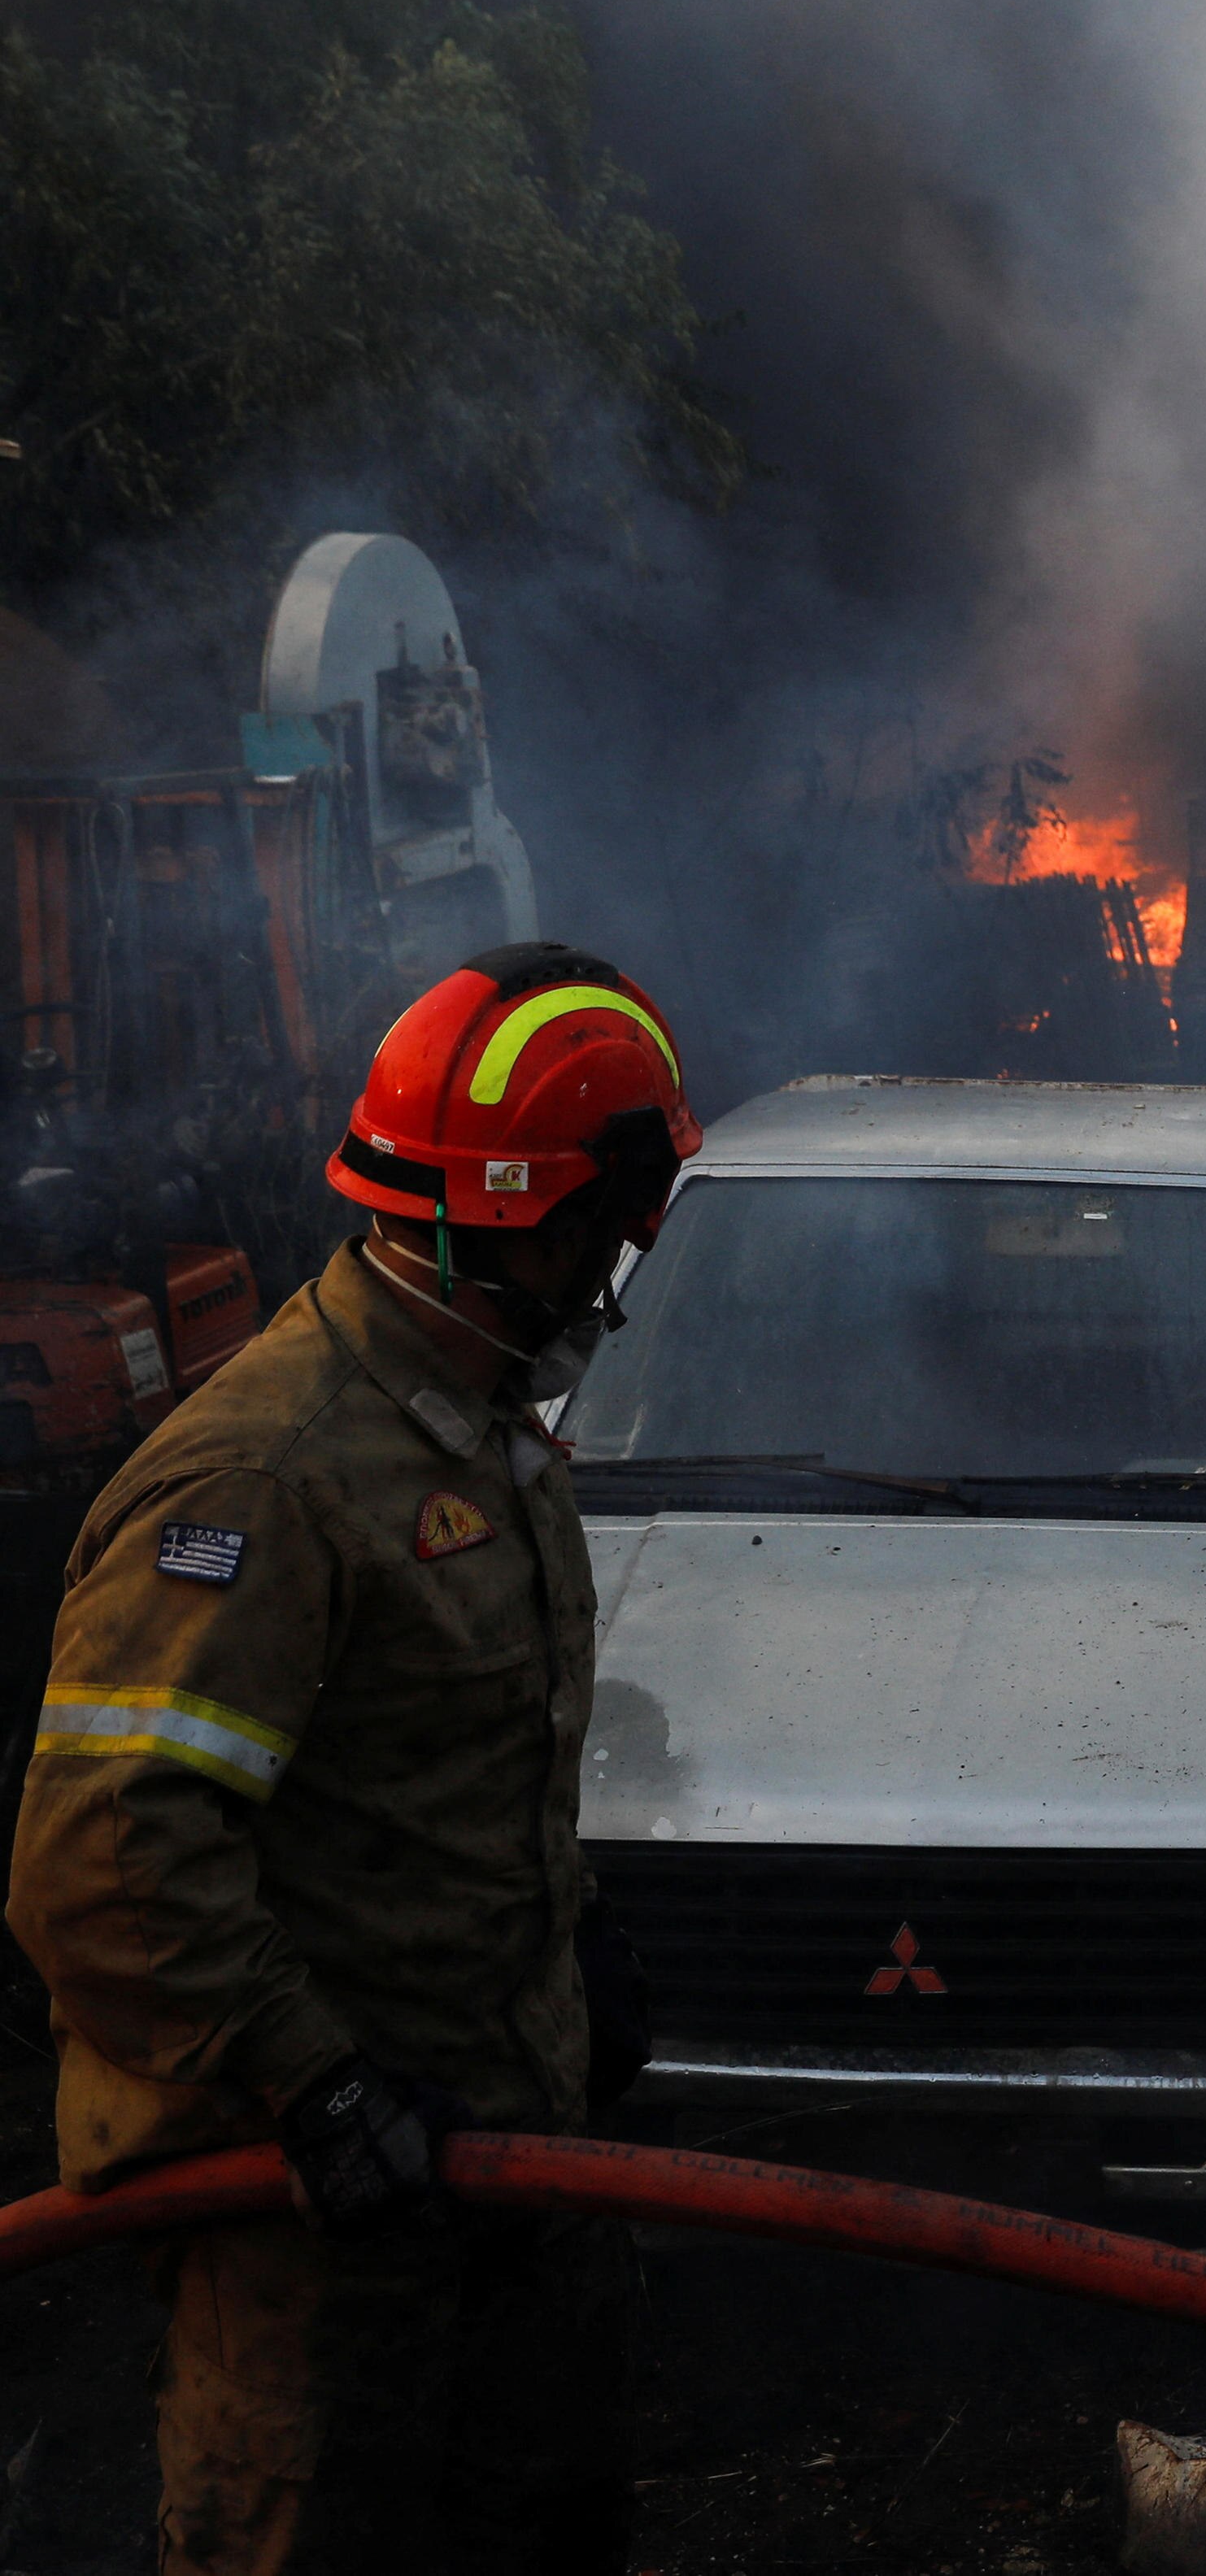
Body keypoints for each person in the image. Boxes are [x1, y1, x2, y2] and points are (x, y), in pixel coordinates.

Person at [8, 944, 699, 2576]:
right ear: (524, 1220)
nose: (616, 1268)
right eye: (605, 1230)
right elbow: (106, 1853)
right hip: (323, 2239)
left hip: (505, 2191)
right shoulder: (273, 1476)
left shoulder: (477, 1420)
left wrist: (567, 1947)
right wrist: (314, 2082)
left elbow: (429, 1774)